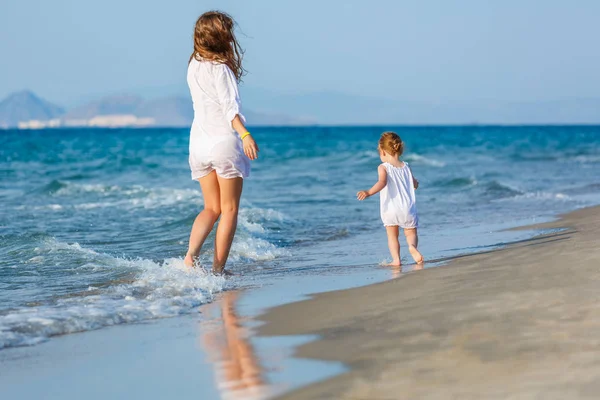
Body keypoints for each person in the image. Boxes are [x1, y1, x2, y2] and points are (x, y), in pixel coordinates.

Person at [184, 11, 259, 274]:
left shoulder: (193, 65)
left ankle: (190, 258)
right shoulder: (221, 69)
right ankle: (218, 270)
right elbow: (230, 109)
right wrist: (245, 134)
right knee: (229, 210)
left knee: (211, 208)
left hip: (198, 144)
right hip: (223, 142)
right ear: (221, 37)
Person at [357, 132, 424, 266]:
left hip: (390, 209)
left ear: (382, 151)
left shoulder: (383, 167)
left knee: (392, 235)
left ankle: (396, 260)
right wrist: (416, 184)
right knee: (410, 232)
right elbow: (414, 183)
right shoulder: (406, 166)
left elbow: (382, 183)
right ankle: (412, 247)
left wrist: (369, 192)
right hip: (407, 208)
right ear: (399, 149)